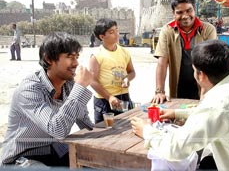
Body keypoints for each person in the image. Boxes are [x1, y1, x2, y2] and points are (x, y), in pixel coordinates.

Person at [131, 39, 229, 170]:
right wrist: (177, 114)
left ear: (200, 75)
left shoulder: (219, 101)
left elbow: (176, 149)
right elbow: (223, 117)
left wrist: (147, 131)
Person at [0, 32, 94, 167]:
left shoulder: (69, 86)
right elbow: (58, 130)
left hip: (53, 149)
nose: (76, 63)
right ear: (49, 59)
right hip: (22, 157)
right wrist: (80, 88)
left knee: (94, 162)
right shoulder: (30, 89)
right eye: (69, 57)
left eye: (77, 57)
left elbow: (85, 124)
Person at [151, 0, 217, 104]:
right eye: (179, 12)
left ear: (194, 9)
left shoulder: (208, 30)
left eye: (188, 10)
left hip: (203, 90)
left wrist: (205, 92)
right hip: (177, 90)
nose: (185, 16)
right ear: (173, 13)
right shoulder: (167, 31)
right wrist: (159, 91)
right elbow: (162, 63)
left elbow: (210, 64)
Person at [89, 18, 136, 123]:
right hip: (104, 101)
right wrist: (109, 97)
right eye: (111, 32)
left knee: (125, 128)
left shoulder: (124, 52)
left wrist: (127, 79)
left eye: (117, 30)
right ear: (102, 36)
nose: (116, 34)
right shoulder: (96, 55)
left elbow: (132, 72)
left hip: (123, 98)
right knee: (105, 132)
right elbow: (92, 81)